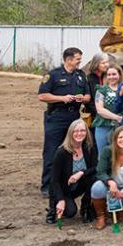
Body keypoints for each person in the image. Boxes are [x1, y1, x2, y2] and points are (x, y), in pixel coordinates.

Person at [38, 47, 89, 198]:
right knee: (52, 152)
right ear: (68, 59)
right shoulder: (53, 75)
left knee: (73, 151)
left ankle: (69, 183)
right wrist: (62, 98)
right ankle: (47, 186)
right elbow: (42, 96)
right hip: (56, 118)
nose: (80, 62)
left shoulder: (81, 75)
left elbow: (88, 96)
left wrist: (82, 98)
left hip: (74, 117)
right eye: (77, 59)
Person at [47, 119, 97, 225]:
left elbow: (96, 167)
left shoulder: (89, 147)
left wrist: (81, 173)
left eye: (83, 130)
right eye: (76, 131)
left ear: (86, 132)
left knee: (95, 178)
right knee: (70, 212)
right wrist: (60, 199)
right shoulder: (62, 152)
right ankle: (53, 207)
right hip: (63, 187)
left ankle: (86, 206)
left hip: (79, 184)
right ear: (71, 133)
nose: (79, 133)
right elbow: (54, 180)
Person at [90, 125, 123, 229]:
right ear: (115, 139)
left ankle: (122, 213)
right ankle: (101, 216)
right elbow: (100, 171)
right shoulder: (107, 151)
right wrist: (111, 182)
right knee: (96, 188)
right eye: (120, 137)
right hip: (110, 186)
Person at [92, 63, 123, 153]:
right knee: (103, 154)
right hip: (103, 126)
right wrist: (117, 118)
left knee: (120, 154)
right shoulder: (101, 90)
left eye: (114, 74)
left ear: (119, 75)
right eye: (109, 75)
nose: (111, 77)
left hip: (121, 127)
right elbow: (100, 110)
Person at [82, 52, 110, 130]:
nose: (106, 65)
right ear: (96, 63)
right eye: (103, 63)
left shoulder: (108, 76)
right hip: (95, 117)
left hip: (108, 116)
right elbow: (89, 101)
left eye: (107, 62)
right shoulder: (89, 79)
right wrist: (100, 113)